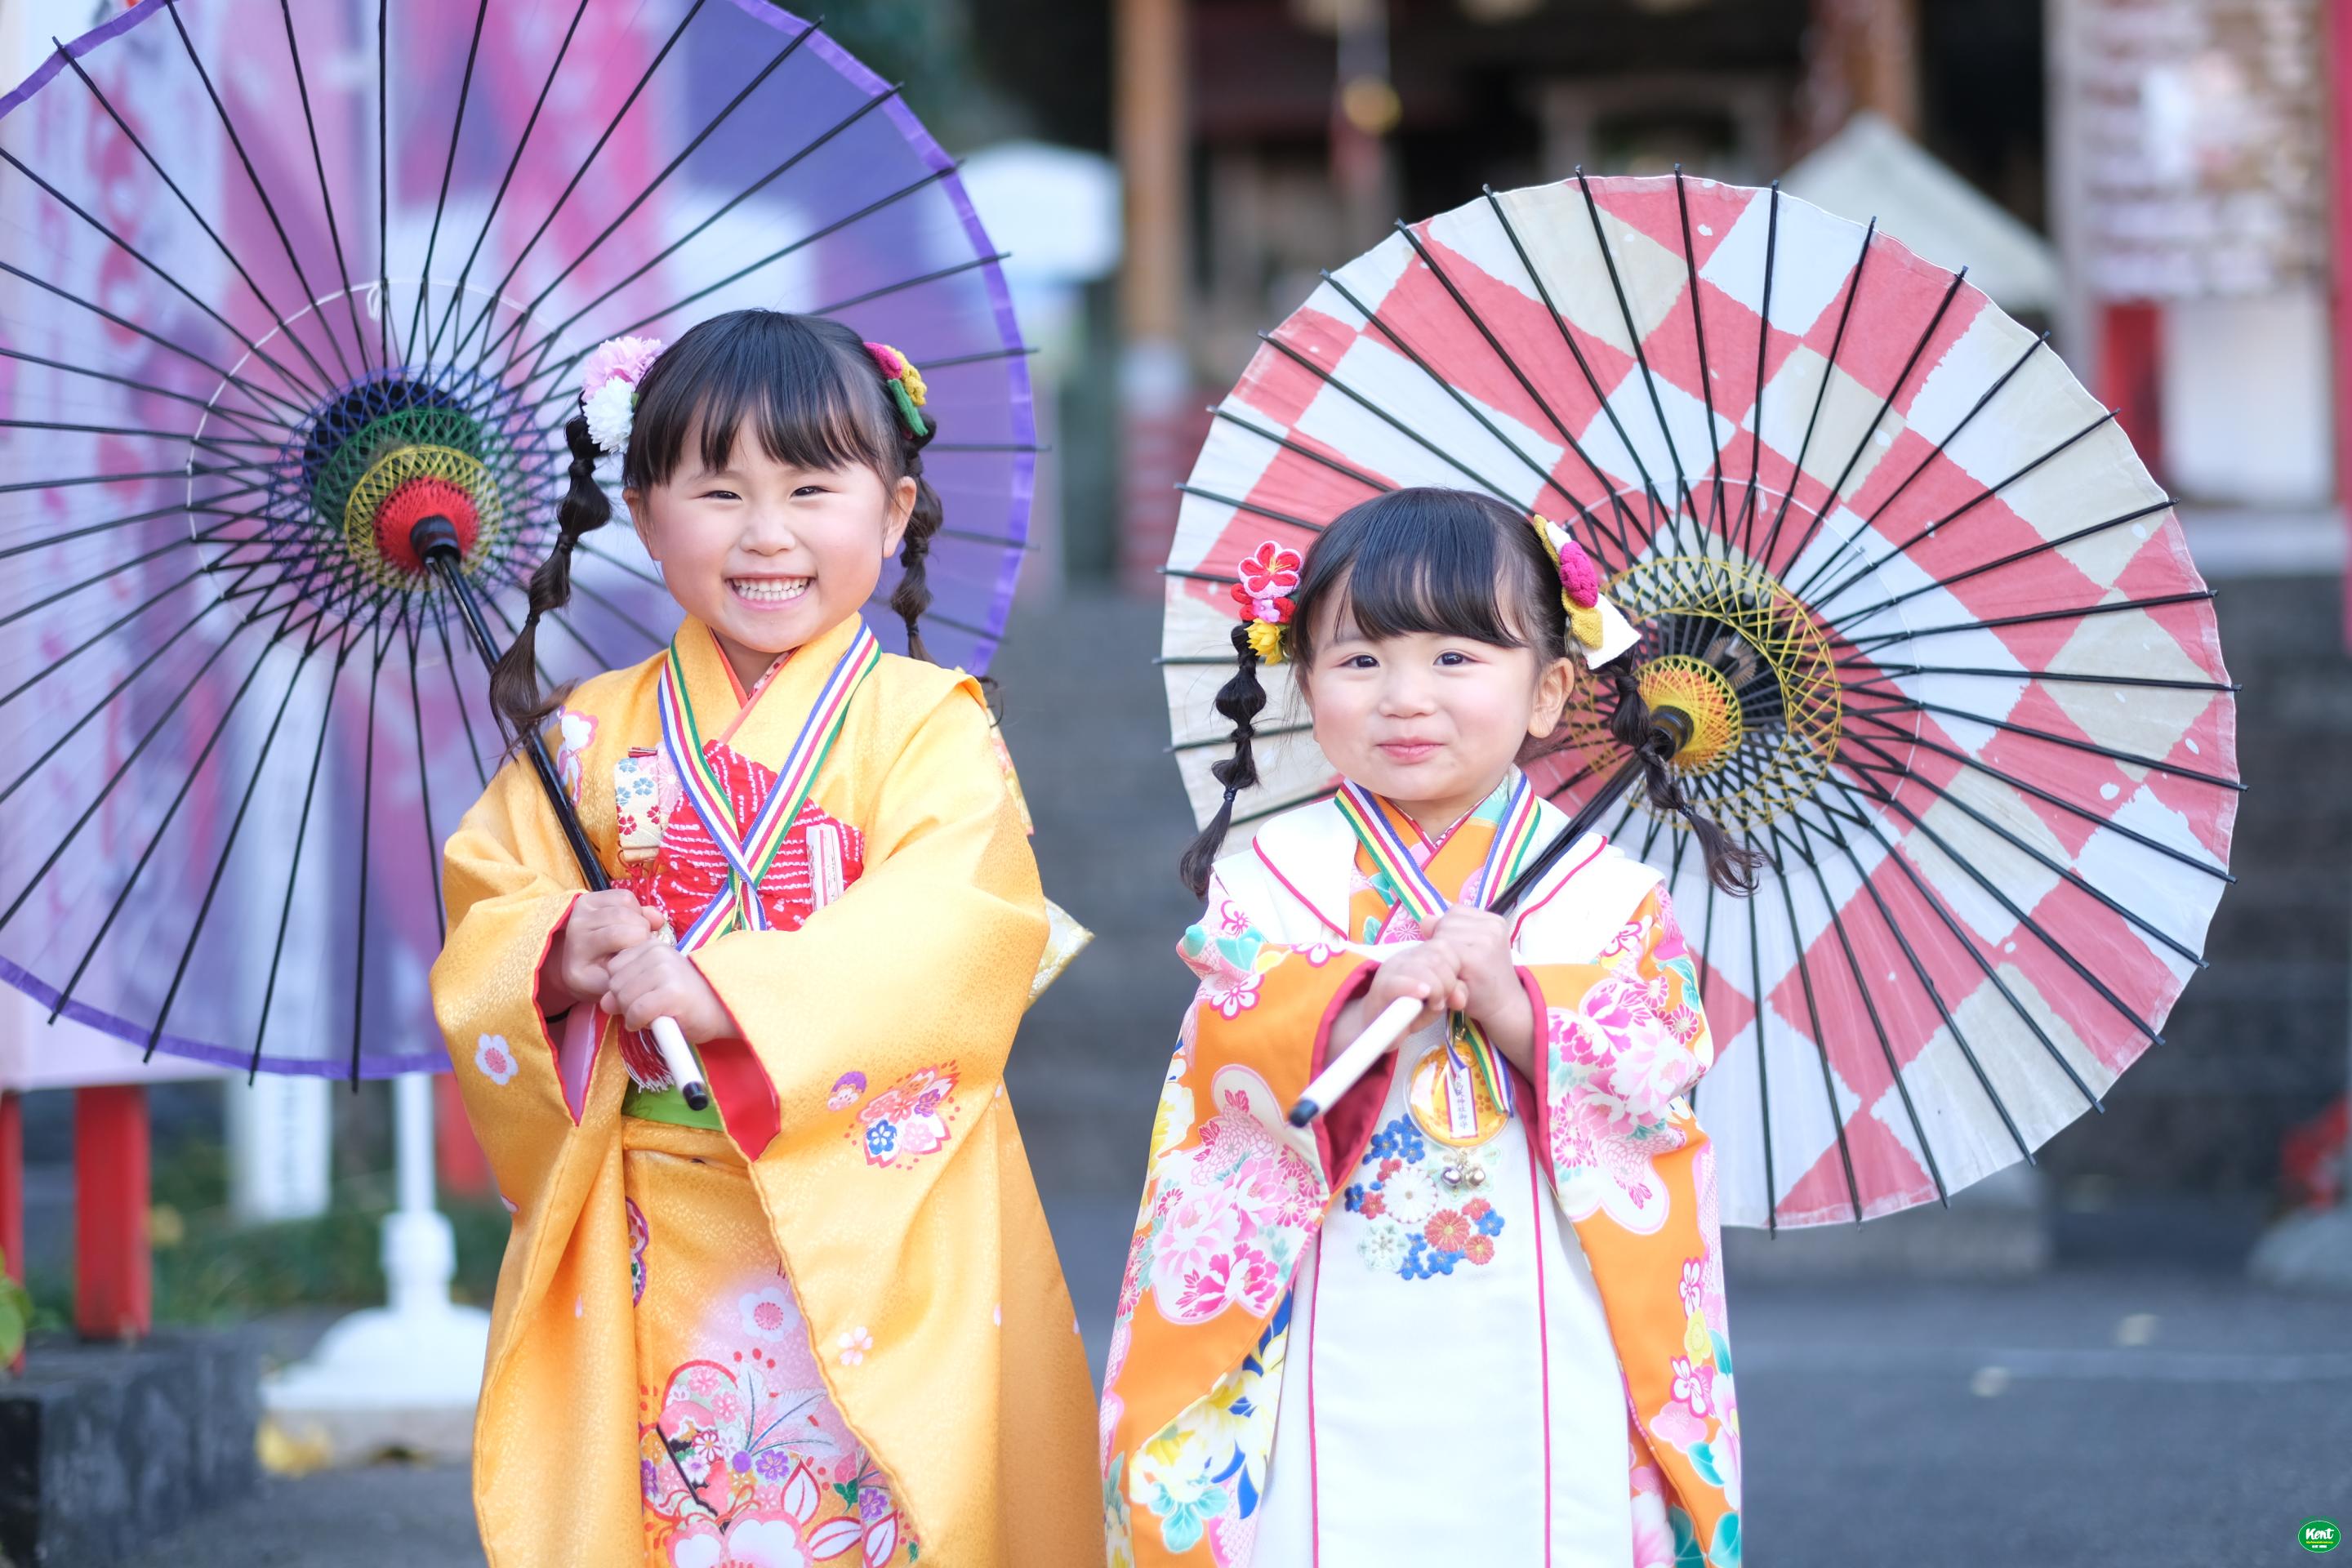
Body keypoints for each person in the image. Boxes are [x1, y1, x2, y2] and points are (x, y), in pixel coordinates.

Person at [431, 310, 1100, 1568]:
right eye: (719, 491)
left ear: (893, 512)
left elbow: (960, 924)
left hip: (875, 1214)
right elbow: (487, 915)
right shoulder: (584, 736)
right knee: (673, 1518)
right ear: (645, 515)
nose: (767, 532)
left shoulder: (931, 726)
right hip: (654, 1218)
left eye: (810, 488)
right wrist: (560, 950)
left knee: (874, 1513)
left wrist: (724, 991)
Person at [1098, 488, 1757, 1568]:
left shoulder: (1610, 895)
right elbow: (1218, 1074)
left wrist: (1517, 1006)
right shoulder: (1269, 883)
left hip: (1547, 1318)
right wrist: (1351, 998)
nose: (1405, 697)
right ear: (1304, 680)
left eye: (1455, 658)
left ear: (1548, 691)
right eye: (1360, 660)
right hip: (1323, 1309)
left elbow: (1658, 1083)